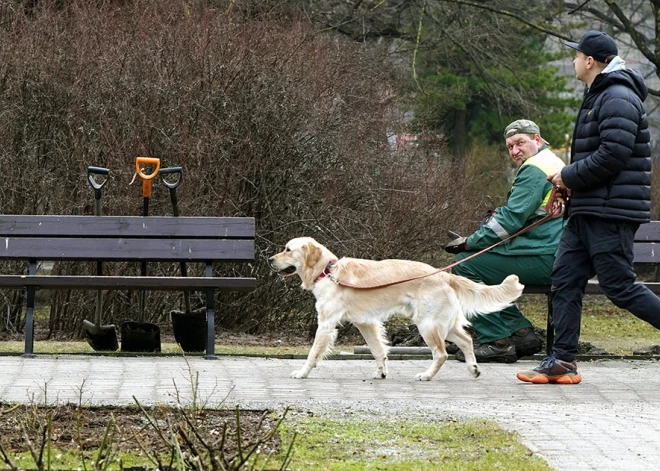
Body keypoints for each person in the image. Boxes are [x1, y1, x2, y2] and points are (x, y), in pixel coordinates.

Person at [517, 30, 660, 385]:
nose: (573, 61)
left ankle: (562, 359)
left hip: (610, 212)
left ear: (591, 61)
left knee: (620, 287)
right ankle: (562, 361)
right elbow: (598, 156)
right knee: (564, 279)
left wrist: (567, 176)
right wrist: (570, 188)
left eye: (576, 56)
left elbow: (613, 155)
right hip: (589, 209)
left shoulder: (618, 97)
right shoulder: (598, 95)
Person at [445, 119, 565, 363]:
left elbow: (510, 221)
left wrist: (469, 243)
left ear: (537, 140)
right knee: (482, 269)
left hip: (546, 256)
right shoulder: (553, 161)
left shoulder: (535, 168)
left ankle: (497, 340)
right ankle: (520, 332)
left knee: (463, 266)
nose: (515, 150)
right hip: (556, 252)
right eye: (510, 146)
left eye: (520, 142)